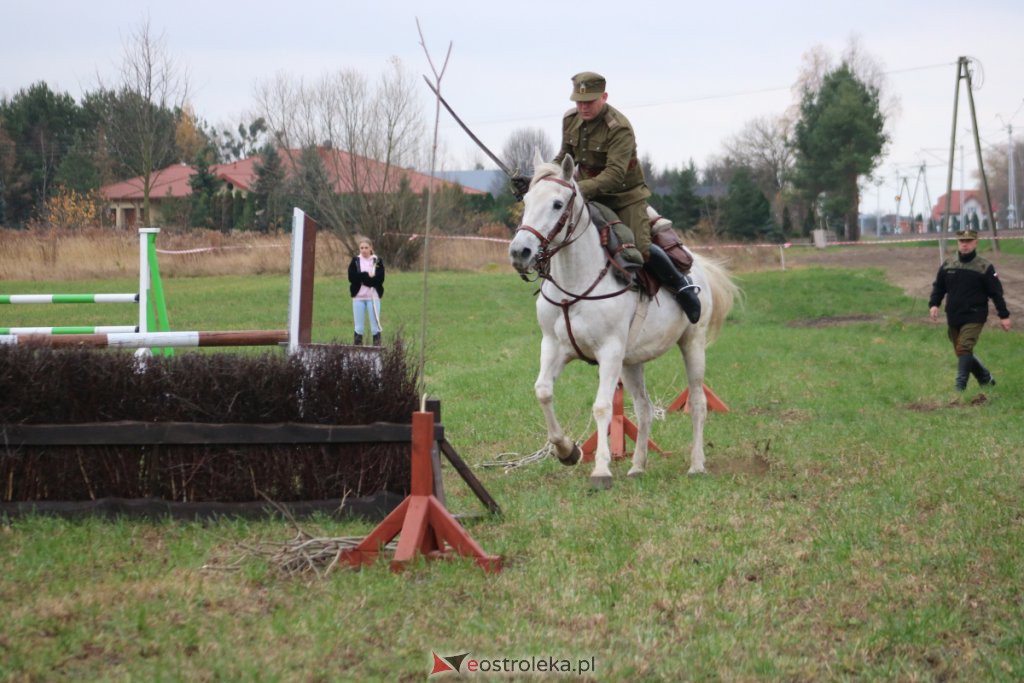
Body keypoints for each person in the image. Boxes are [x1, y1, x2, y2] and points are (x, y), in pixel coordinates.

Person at [512, 71, 701, 323]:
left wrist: (576, 190)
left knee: (639, 249)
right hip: (583, 192)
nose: (583, 107)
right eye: (579, 102)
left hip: (623, 196)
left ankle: (682, 285)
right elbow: (563, 158)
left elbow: (614, 175)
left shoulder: (619, 127)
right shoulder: (570, 120)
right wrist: (540, 180)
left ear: (604, 97)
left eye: (589, 102)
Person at [928, 228, 1011, 391]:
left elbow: (996, 292)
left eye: (968, 242)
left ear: (975, 243)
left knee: (964, 347)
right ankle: (985, 378)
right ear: (958, 243)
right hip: (954, 315)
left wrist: (1004, 315)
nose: (965, 245)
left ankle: (960, 387)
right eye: (961, 242)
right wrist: (934, 304)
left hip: (975, 314)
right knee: (961, 352)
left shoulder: (985, 266)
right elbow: (939, 287)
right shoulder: (948, 264)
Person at [348, 238, 385, 346]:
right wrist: (366, 275)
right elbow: (352, 277)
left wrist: (364, 280)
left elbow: (379, 279)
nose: (364, 250)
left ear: (371, 248)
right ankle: (357, 353)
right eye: (361, 248)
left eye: (366, 248)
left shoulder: (377, 261)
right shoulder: (355, 261)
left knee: (375, 327)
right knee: (358, 328)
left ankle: (377, 351)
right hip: (358, 298)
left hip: (373, 298)